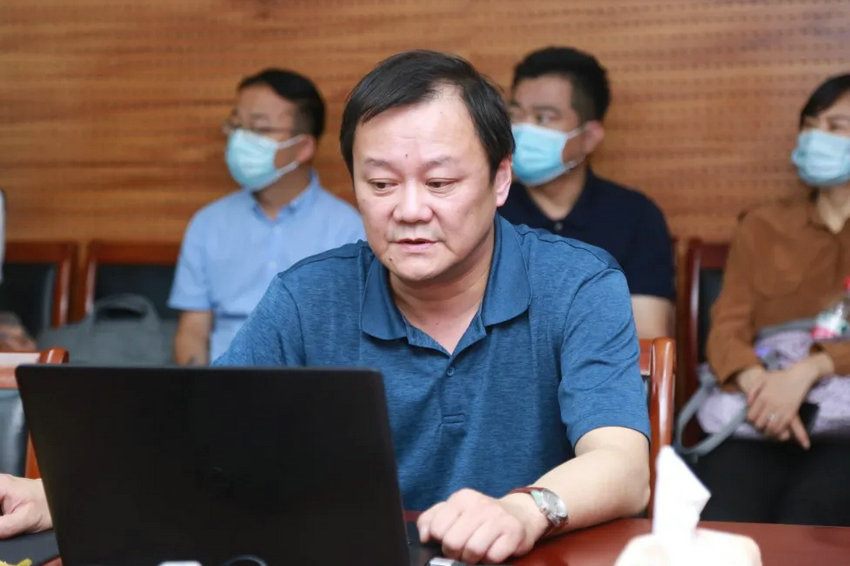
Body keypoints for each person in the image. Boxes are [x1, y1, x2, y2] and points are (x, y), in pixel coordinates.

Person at [0, 51, 650, 564]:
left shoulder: (577, 283)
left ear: (500, 179)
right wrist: (60, 493)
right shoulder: (310, 295)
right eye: (381, 183)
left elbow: (623, 466)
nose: (410, 210)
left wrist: (523, 510)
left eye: (441, 182)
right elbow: (201, 440)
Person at [695, 74, 850, 525]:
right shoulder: (762, 225)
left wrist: (809, 371)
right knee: (725, 518)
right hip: (755, 415)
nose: (817, 138)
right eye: (810, 126)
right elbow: (726, 329)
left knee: (812, 520)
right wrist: (762, 388)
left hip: (842, 430)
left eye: (836, 127)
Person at [169, 69, 364, 365]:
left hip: (309, 383)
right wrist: (197, 388)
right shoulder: (207, 223)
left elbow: (348, 336)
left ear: (303, 147)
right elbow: (193, 329)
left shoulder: (347, 229)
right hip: (222, 381)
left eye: (259, 129)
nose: (239, 139)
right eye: (236, 126)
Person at [499, 46, 675, 339]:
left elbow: (647, 338)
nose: (522, 130)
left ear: (589, 137)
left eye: (543, 118)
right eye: (515, 115)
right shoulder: (489, 209)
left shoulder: (635, 217)